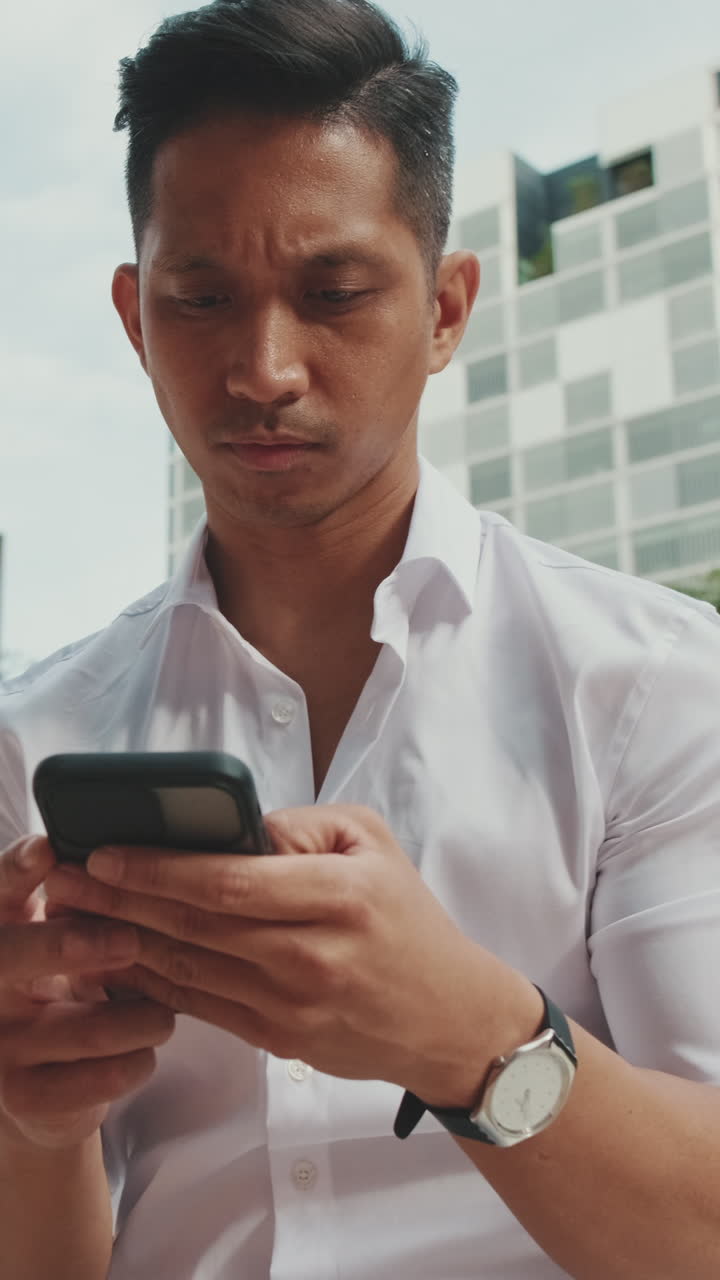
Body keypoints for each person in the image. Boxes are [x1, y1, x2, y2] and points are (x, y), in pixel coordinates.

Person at [1, 0, 719, 1275]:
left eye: (333, 293)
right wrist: (36, 1126)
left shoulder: (655, 688)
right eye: (201, 296)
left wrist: (474, 1038)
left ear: (446, 310)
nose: (264, 367)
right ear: (132, 317)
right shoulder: (33, 742)